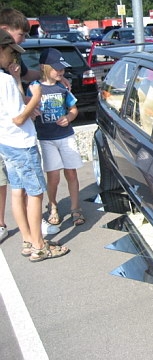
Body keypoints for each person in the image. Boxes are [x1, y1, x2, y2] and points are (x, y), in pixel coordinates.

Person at [0, 29, 69, 261]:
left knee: (18, 192)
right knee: (36, 194)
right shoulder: (5, 80)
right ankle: (40, 246)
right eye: (10, 52)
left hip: (6, 143)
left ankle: (28, 241)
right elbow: (19, 118)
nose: (12, 57)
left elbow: (15, 109)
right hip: (21, 144)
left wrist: (22, 88)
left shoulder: (7, 79)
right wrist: (37, 97)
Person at [28, 48, 85, 226]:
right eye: (57, 68)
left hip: (65, 135)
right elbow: (28, 107)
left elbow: (73, 109)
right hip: (46, 138)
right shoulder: (34, 88)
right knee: (53, 175)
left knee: (71, 172)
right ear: (45, 68)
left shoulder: (62, 87)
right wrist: (32, 112)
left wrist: (69, 117)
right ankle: (53, 206)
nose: (61, 72)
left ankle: (76, 208)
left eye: (62, 69)